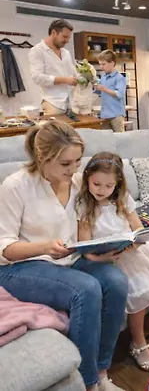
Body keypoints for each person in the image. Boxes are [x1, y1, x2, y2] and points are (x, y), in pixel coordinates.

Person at [0, 120, 128, 391]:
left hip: (69, 259)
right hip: (21, 266)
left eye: (78, 161)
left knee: (116, 281)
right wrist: (45, 247)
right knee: (86, 289)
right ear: (42, 158)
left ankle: (102, 372)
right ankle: (88, 383)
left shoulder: (79, 182)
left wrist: (98, 252)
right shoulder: (16, 186)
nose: (74, 169)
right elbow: (5, 247)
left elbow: (102, 210)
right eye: (66, 164)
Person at [77, 152, 149, 372]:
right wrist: (100, 258)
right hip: (109, 259)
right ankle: (138, 343)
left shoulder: (122, 199)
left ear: (118, 183)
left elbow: (137, 227)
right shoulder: (85, 206)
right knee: (141, 292)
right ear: (87, 177)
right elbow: (85, 247)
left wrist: (137, 242)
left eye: (109, 186)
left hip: (133, 251)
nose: (101, 190)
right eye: (96, 184)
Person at [29, 19, 78, 115]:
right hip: (53, 104)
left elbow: (73, 72)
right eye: (64, 37)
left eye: (68, 38)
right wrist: (64, 80)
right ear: (54, 33)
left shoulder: (66, 53)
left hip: (70, 104)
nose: (67, 41)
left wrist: (87, 77)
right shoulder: (37, 51)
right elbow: (37, 77)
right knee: (54, 126)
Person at [94, 50, 126, 132]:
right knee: (106, 137)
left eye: (103, 64)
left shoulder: (120, 78)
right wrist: (94, 86)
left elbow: (120, 94)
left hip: (116, 115)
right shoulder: (103, 77)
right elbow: (99, 92)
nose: (101, 67)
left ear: (112, 63)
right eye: (100, 64)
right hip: (105, 115)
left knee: (120, 138)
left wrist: (104, 89)